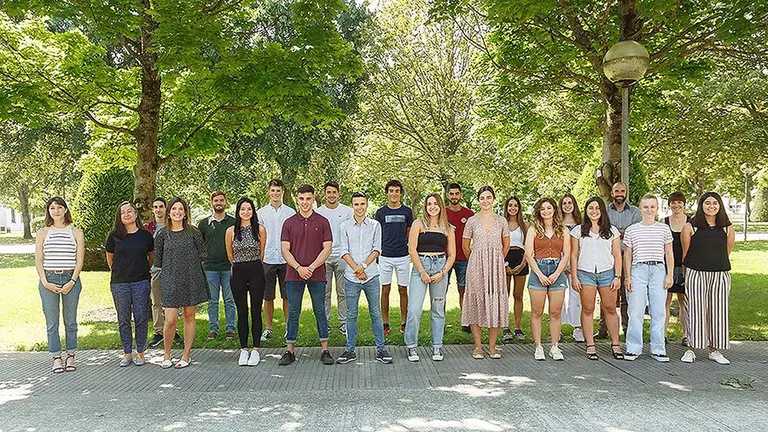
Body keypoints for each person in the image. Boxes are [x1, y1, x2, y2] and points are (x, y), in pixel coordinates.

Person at [278, 185, 335, 366]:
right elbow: (285, 250)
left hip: (317, 273)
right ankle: (290, 350)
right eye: (301, 199)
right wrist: (298, 267)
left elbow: (327, 248)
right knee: (293, 311)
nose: (305, 202)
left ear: (313, 199)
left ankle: (325, 349)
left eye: (308, 199)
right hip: (294, 275)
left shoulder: (323, 221)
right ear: (297, 199)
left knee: (320, 311)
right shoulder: (288, 223)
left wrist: (310, 267)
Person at [336, 192, 393, 364]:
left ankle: (381, 349)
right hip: (351, 277)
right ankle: (349, 350)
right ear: (352, 205)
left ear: (367, 205)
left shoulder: (375, 225)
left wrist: (364, 267)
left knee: (375, 313)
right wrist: (356, 269)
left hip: (371, 276)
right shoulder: (344, 226)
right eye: (356, 204)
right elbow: (343, 251)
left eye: (362, 204)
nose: (359, 207)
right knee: (351, 315)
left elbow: (377, 249)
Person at [680, 192, 735, 364]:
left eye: (715, 203)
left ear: (720, 206)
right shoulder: (690, 227)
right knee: (695, 310)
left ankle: (714, 350)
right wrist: (686, 274)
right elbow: (685, 253)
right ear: (701, 205)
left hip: (720, 274)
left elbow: (726, 252)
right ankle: (691, 349)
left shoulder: (727, 228)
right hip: (696, 273)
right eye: (707, 203)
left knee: (718, 311)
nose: (711, 206)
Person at [155, 197, 209, 369]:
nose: (177, 212)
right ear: (169, 213)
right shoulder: (162, 234)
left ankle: (186, 355)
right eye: (174, 209)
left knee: (189, 316)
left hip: (191, 278)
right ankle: (167, 354)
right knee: (170, 320)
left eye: (181, 209)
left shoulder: (193, 232)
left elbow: (202, 254)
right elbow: (158, 260)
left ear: (185, 213)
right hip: (170, 279)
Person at [570, 197, 624, 360]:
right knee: (588, 308)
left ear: (602, 211)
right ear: (586, 211)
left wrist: (617, 276)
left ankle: (615, 344)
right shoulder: (578, 231)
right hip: (585, 273)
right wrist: (574, 277)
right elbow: (573, 255)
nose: (594, 211)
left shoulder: (611, 231)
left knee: (610, 308)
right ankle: (590, 344)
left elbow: (617, 255)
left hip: (607, 273)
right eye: (590, 208)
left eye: (597, 208)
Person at [35, 197, 84, 373]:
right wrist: (45, 282)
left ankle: (71, 355)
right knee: (52, 322)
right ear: (49, 211)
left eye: (59, 207)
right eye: (52, 208)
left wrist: (72, 281)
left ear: (65, 210)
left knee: (70, 321)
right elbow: (39, 260)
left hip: (70, 278)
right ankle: (56, 357)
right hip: (49, 279)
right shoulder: (43, 233)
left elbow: (79, 260)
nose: (55, 211)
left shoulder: (76, 232)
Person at [405, 193, 456, 362]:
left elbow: (452, 255)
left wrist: (442, 273)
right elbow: (412, 249)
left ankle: (437, 346)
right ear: (425, 206)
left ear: (441, 206)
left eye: (435, 203)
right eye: (429, 204)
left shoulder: (447, 228)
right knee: (414, 309)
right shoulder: (418, 224)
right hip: (421, 267)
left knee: (438, 309)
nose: (432, 206)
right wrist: (422, 272)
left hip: (440, 268)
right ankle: (412, 346)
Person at [622, 194, 674, 362]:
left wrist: (670, 274)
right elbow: (628, 254)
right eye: (646, 207)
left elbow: (669, 253)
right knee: (635, 310)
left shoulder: (664, 229)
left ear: (657, 209)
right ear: (640, 208)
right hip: (638, 270)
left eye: (652, 206)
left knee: (658, 311)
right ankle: (633, 347)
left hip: (658, 270)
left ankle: (658, 348)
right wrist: (627, 277)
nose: (649, 210)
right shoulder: (632, 230)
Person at [462, 186, 510, 359]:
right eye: (482, 198)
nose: (486, 201)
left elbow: (506, 245)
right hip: (476, 266)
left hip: (496, 267)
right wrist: (476, 259)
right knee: (476, 301)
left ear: (494, 199)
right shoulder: (472, 221)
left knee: (494, 301)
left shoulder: (501, 221)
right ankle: (478, 347)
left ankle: (492, 346)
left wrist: (495, 260)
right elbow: (465, 246)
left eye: (489, 197)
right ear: (478, 200)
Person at [105, 202, 154, 367]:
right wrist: (122, 272)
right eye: (123, 212)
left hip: (141, 281)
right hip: (120, 283)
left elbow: (151, 257)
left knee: (141, 317)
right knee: (123, 319)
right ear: (119, 217)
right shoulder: (113, 237)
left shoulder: (146, 236)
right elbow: (111, 260)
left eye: (129, 211)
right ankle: (127, 353)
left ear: (135, 214)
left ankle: (141, 352)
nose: (126, 214)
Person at [525, 197, 570, 361]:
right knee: (537, 311)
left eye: (549, 208)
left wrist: (557, 273)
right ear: (539, 211)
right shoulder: (533, 230)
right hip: (539, 270)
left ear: (554, 210)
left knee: (555, 312)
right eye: (542, 209)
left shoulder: (563, 230)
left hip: (557, 271)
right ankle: (538, 347)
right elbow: (529, 254)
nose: (546, 211)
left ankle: (554, 346)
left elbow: (566, 255)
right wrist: (540, 275)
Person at [225, 197, 267, 366]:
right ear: (238, 211)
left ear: (253, 211)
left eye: (249, 209)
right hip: (238, 271)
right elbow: (230, 255)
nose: (246, 212)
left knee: (256, 310)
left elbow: (262, 253)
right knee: (242, 311)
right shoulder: (230, 231)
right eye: (243, 209)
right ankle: (243, 349)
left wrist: (253, 263)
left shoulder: (260, 230)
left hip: (256, 270)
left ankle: (256, 349)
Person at [597, 182, 642, 338]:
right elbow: (604, 230)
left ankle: (627, 328)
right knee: (607, 295)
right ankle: (602, 330)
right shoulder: (605, 211)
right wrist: (623, 231)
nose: (620, 194)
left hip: (630, 258)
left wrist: (616, 230)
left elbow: (636, 233)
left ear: (626, 193)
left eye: (622, 191)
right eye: (617, 191)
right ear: (612, 193)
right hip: (610, 258)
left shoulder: (635, 212)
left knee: (627, 295)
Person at [257, 179, 295, 341]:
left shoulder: (290, 212)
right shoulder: (261, 213)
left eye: (278, 191)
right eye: (273, 191)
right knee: (268, 296)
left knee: (287, 296)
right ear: (269, 192)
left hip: (286, 259)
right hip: (268, 259)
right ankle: (268, 328)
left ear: (283, 192)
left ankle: (288, 326)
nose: (275, 193)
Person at [375, 179, 413, 336]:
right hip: (385, 256)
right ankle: (385, 323)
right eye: (391, 191)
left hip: (403, 256)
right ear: (387, 193)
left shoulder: (407, 211)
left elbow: (409, 232)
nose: (394, 194)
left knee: (403, 290)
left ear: (400, 193)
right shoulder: (380, 212)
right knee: (385, 289)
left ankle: (404, 322)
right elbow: (377, 234)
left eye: (397, 191)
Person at [316, 181, 353, 334]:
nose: (331, 195)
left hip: (342, 256)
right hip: (324, 257)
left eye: (334, 192)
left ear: (339, 194)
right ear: (325, 194)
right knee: (324, 292)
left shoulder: (347, 211)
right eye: (328, 192)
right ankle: (325, 323)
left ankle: (344, 322)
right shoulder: (318, 212)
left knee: (342, 291)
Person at [198, 191, 236, 341]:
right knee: (212, 301)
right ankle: (213, 329)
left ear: (225, 202)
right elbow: (199, 246)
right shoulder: (204, 224)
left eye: (221, 200)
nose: (219, 202)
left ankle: (230, 329)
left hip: (229, 267)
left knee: (229, 300)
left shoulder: (233, 222)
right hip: (210, 268)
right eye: (216, 200)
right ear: (211, 203)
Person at [143, 198, 182, 347]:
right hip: (156, 270)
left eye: (161, 206)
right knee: (157, 301)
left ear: (166, 209)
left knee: (173, 301)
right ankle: (159, 332)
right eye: (155, 207)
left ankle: (174, 330)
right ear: (153, 210)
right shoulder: (148, 229)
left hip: (173, 269)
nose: (158, 209)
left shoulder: (173, 226)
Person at [445, 183, 474, 333]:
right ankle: (440, 322)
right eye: (451, 194)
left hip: (464, 257)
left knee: (463, 290)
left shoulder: (469, 214)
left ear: (461, 195)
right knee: (441, 291)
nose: (454, 197)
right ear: (447, 195)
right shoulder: (442, 213)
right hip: (446, 257)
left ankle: (466, 322)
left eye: (457, 194)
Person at [663, 191, 691, 345]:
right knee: (665, 300)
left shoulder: (692, 222)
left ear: (684, 204)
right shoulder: (664, 221)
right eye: (673, 202)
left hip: (686, 266)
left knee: (683, 300)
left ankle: (686, 335)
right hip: (668, 266)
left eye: (679, 202)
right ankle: (663, 334)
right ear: (669, 205)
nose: (676, 205)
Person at [502, 196, 528, 342]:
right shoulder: (501, 224)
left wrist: (522, 264)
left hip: (520, 259)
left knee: (518, 295)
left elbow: (528, 247)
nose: (513, 208)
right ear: (506, 207)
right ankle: (505, 327)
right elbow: (498, 245)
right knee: (504, 294)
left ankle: (517, 327)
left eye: (515, 205)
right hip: (505, 258)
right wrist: (503, 265)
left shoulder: (525, 225)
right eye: (510, 205)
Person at [560, 194, 584, 342]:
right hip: (561, 264)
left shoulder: (581, 223)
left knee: (576, 296)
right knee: (559, 296)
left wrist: (574, 264)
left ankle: (577, 327)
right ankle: (559, 328)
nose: (567, 205)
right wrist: (563, 264)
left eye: (570, 203)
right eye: (564, 203)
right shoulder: (558, 223)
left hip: (577, 263)